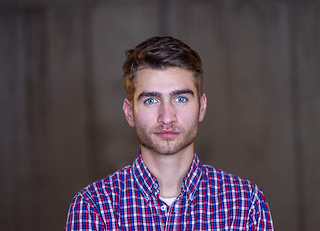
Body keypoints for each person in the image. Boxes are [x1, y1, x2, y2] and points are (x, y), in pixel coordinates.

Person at [65, 36, 274, 230]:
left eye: (180, 99)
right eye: (151, 100)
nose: (166, 117)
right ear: (129, 113)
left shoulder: (245, 205)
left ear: (202, 107)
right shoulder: (94, 208)